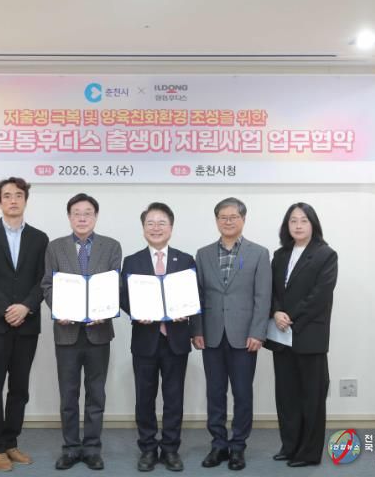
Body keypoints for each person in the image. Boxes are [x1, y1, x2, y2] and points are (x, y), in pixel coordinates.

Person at [0, 177, 49, 471]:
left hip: (27, 323)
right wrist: (6, 308)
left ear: (26, 199)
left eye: (18, 195)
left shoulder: (39, 238)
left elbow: (44, 279)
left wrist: (26, 306)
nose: (13, 200)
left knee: (19, 388)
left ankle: (10, 442)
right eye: (7, 195)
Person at [41, 193, 122, 471]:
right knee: (68, 395)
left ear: (95, 217)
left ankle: (92, 448)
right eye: (76, 213)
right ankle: (70, 448)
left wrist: (105, 310)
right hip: (66, 333)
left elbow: (114, 285)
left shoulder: (111, 246)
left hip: (99, 333)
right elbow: (47, 285)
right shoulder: (55, 247)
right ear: (69, 217)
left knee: (96, 394)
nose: (82, 218)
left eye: (88, 213)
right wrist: (59, 308)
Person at [191, 197, 271, 471]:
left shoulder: (259, 253)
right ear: (216, 221)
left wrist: (258, 332)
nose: (228, 221)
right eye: (223, 217)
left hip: (245, 336)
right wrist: (197, 330)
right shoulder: (203, 254)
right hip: (211, 334)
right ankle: (218, 444)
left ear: (243, 219)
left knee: (242, 393)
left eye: (233, 217)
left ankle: (238, 446)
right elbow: (197, 296)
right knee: (215, 393)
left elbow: (263, 296)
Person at [120, 202, 197, 472]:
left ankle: (171, 449)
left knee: (174, 398)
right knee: (145, 398)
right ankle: (148, 449)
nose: (156, 228)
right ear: (143, 228)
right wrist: (136, 312)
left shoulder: (185, 260)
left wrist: (187, 315)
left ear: (171, 228)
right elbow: (123, 296)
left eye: (161, 223)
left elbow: (196, 296)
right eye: (150, 223)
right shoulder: (132, 261)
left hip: (176, 340)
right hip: (145, 340)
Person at [265, 203, 338, 468]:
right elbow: (270, 290)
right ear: (286, 226)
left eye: (303, 220)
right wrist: (276, 312)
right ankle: (290, 446)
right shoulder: (280, 255)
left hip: (309, 335)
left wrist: (290, 317)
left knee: (312, 397)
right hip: (281, 336)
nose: (298, 225)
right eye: (293, 221)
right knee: (286, 396)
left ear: (313, 224)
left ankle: (308, 453)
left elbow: (320, 295)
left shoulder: (325, 255)